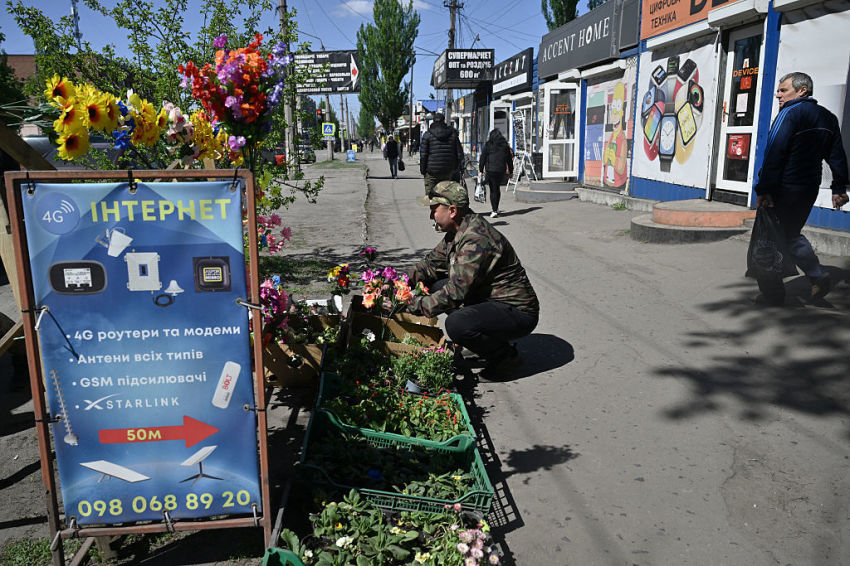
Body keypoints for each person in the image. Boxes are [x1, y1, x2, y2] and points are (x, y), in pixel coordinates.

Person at [405, 181, 539, 378]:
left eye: (434, 209)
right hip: (491, 299)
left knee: (457, 324)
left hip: (517, 311)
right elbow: (430, 265)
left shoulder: (475, 239)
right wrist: (396, 282)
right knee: (434, 284)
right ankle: (481, 342)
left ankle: (505, 357)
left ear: (452, 210)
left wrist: (411, 304)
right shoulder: (457, 230)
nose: (430, 215)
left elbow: (454, 294)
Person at [753, 71, 849, 303]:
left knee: (766, 241)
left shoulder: (790, 113)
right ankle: (817, 276)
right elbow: (837, 156)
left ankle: (772, 295)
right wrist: (838, 189)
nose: (778, 95)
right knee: (790, 234)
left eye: (783, 90)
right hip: (807, 189)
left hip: (782, 189)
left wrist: (764, 189)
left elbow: (775, 152)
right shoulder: (828, 118)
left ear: (802, 90)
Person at [419, 112, 464, 195]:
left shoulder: (427, 135)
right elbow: (459, 154)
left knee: (431, 197)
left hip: (431, 171)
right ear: (444, 121)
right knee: (447, 195)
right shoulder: (452, 134)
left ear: (433, 121)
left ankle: (435, 207)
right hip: (448, 171)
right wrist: (457, 168)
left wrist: (423, 170)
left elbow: (423, 155)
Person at [478, 129, 514, 218]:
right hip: (500, 170)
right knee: (497, 188)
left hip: (490, 170)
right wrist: (511, 171)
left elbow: (483, 157)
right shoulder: (505, 146)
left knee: (493, 189)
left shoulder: (488, 145)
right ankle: (496, 208)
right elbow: (509, 159)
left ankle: (494, 210)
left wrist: (480, 170)